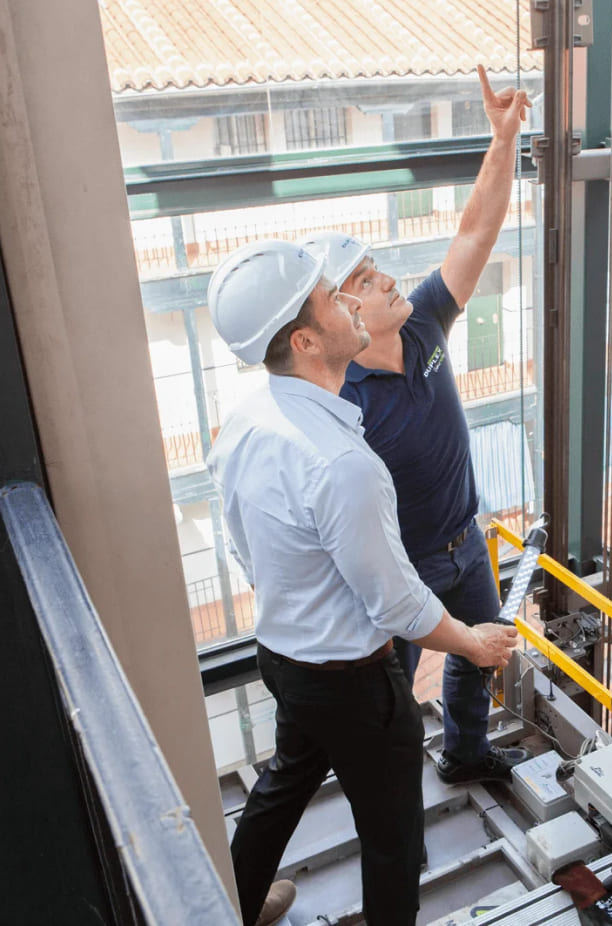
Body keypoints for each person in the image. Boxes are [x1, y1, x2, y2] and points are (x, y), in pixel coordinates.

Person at [205, 239, 519, 926]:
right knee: (393, 841)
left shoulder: (246, 424)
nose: (350, 298)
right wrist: (472, 643)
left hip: (286, 658)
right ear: (308, 340)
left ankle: (230, 906)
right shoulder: (344, 462)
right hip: (353, 680)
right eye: (332, 295)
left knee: (282, 789)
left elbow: (244, 547)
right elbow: (397, 603)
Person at [302, 65, 533, 786]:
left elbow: (474, 232)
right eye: (368, 283)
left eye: (379, 270)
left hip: (470, 543)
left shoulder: (427, 321)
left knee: (480, 656)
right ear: (341, 313)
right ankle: (391, 793)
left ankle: (464, 755)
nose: (390, 281)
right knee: (389, 697)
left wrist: (502, 141)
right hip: (404, 569)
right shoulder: (342, 396)